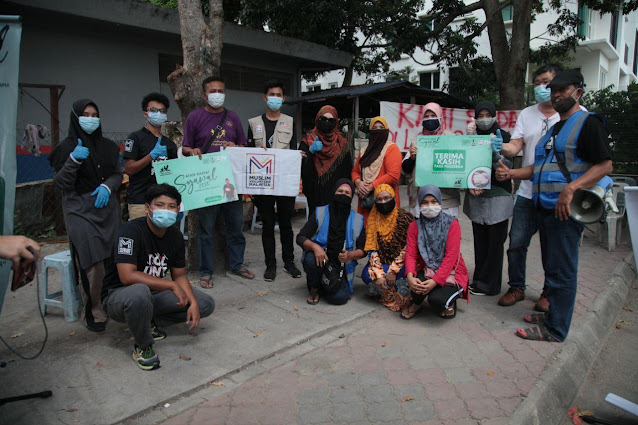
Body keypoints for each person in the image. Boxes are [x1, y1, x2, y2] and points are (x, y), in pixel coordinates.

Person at [496, 69, 613, 342]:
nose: (557, 94)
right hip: (544, 206)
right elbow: (541, 167)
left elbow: (605, 165)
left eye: (563, 89)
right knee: (552, 266)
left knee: (562, 270)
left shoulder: (588, 122)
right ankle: (552, 315)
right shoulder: (557, 127)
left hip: (565, 210)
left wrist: (571, 189)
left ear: (578, 92)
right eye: (554, 90)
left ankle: (555, 329)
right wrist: (511, 174)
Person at [102, 184, 215, 370]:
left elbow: (179, 274)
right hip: (119, 296)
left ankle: (147, 321)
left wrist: (192, 301)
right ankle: (143, 345)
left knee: (205, 304)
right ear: (148, 208)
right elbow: (126, 276)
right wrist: (169, 285)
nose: (166, 210)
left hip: (154, 294)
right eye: (160, 205)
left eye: (171, 206)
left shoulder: (175, 236)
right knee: (139, 292)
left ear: (178, 209)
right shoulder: (130, 231)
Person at [49, 99, 122, 332]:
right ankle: (94, 310)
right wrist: (73, 160)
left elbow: (117, 174)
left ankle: (114, 301)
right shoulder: (65, 148)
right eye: (85, 114)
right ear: (75, 117)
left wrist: (108, 187)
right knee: (93, 263)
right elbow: (61, 183)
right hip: (79, 211)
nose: (91, 119)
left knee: (113, 258)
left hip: (107, 209)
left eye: (94, 114)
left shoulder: (108, 146)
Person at [497, 64, 566, 311]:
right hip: (527, 193)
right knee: (516, 242)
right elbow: (516, 147)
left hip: (556, 195)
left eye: (546, 82)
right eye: (537, 83)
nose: (541, 88)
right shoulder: (527, 114)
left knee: (552, 247)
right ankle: (516, 286)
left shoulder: (570, 114)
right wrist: (501, 146)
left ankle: (548, 292)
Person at [182, 76, 254, 288]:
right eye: (212, 91)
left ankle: (236, 265)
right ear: (204, 95)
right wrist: (192, 151)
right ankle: (205, 271)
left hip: (230, 181)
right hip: (207, 183)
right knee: (206, 230)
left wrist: (237, 146)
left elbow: (243, 145)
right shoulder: (195, 117)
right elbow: (185, 146)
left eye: (221, 90)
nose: (217, 94)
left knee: (235, 226)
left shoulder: (232, 117)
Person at [247, 80, 302, 281]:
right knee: (268, 225)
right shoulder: (254, 123)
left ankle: (289, 262)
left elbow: (294, 149)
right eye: (272, 94)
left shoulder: (289, 121)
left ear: (283, 98)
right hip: (263, 183)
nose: (275, 98)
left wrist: (299, 157)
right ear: (265, 97)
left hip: (283, 181)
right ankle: (271, 265)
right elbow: (248, 153)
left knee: (286, 224)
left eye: (279, 95)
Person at [464, 101, 514, 296]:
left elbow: (506, 167)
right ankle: (479, 280)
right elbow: (464, 165)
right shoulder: (470, 137)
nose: (484, 119)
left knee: (495, 241)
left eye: (488, 115)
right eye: (480, 115)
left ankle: (491, 285)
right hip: (477, 196)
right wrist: (471, 141)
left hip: (498, 196)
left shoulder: (505, 137)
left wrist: (495, 152)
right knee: (480, 240)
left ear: (494, 116)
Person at [401, 185, 468, 320]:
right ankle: (417, 303)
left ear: (440, 202)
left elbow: (451, 257)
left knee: (437, 300)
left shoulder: (452, 224)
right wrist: (410, 276)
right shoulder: (415, 226)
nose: (429, 206)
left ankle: (450, 302)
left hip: (451, 271)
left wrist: (435, 281)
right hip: (428, 269)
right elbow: (411, 254)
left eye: (434, 201)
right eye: (425, 202)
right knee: (415, 287)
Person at [296, 179, 366, 305]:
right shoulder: (320, 212)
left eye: (347, 193)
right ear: (334, 192)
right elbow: (300, 237)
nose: (343, 194)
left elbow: (364, 249)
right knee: (311, 259)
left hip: (341, 266)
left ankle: (327, 286)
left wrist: (350, 255)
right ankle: (315, 287)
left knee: (339, 299)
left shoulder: (357, 219)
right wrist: (315, 247)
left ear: (351, 197)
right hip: (321, 260)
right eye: (340, 191)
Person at [123, 93, 178, 220]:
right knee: (141, 238)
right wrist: (151, 156)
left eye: (162, 111)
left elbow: (175, 173)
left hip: (164, 202)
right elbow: (129, 169)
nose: (158, 114)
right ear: (145, 113)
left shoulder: (169, 143)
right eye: (153, 110)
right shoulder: (135, 138)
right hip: (140, 202)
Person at [361, 184, 414, 311]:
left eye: (386, 198)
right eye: (379, 199)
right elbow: (372, 249)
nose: (383, 202)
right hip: (383, 262)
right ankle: (390, 290)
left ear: (393, 198)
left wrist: (393, 272)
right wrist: (379, 274)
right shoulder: (373, 219)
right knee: (367, 275)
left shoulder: (405, 218)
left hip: (402, 264)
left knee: (405, 275)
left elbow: (407, 248)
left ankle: (394, 291)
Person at [402, 103, 458, 217]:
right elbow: (405, 169)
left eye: (433, 115)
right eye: (426, 116)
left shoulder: (451, 139)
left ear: (440, 117)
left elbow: (459, 164)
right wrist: (412, 158)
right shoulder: (417, 141)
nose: (429, 119)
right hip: (421, 200)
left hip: (445, 201)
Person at [300, 106, 353, 212]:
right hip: (314, 192)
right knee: (316, 223)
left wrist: (345, 191)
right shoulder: (307, 139)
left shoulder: (342, 142)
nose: (326, 122)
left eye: (331, 120)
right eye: (323, 119)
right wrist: (310, 151)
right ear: (317, 119)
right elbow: (300, 165)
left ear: (336, 123)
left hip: (336, 193)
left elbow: (347, 170)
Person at [352, 117, 402, 223]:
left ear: (387, 130)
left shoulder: (392, 149)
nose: (378, 130)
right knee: (366, 233)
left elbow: (393, 176)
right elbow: (355, 171)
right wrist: (358, 183)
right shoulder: (364, 151)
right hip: (366, 202)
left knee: (386, 234)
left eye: (381, 127)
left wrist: (370, 187)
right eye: (374, 128)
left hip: (385, 202)